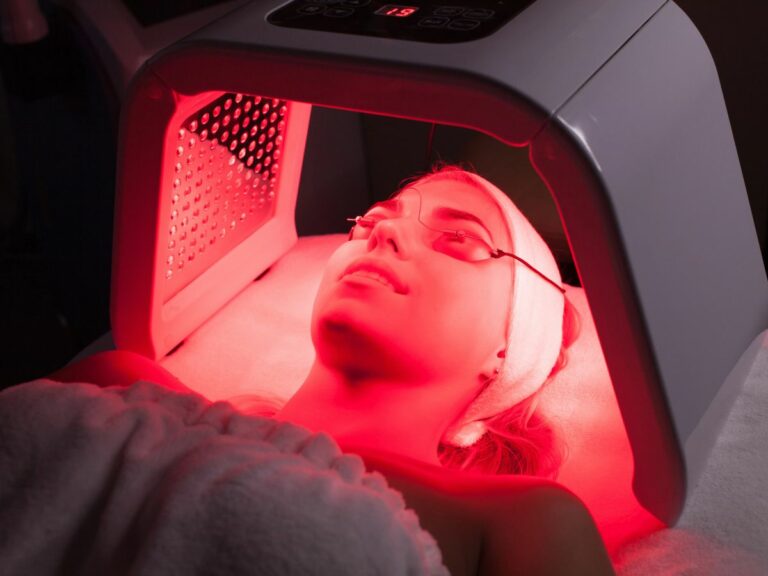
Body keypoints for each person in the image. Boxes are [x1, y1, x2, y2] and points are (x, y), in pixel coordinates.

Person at [276, 166, 614, 575]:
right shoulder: (182, 417)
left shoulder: (517, 522)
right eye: (370, 222)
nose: (385, 234)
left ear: (510, 345)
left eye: (460, 239)